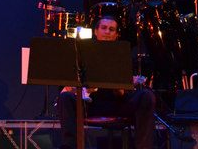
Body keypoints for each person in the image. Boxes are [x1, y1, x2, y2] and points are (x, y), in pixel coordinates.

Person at [57, 16, 156, 149]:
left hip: (117, 104)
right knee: (65, 97)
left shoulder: (122, 53)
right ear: (96, 31)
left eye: (111, 29)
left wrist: (119, 87)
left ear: (116, 34)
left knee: (146, 95)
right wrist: (85, 88)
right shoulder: (82, 52)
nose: (107, 32)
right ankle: (69, 147)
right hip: (90, 104)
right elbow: (73, 83)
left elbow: (121, 93)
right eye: (103, 28)